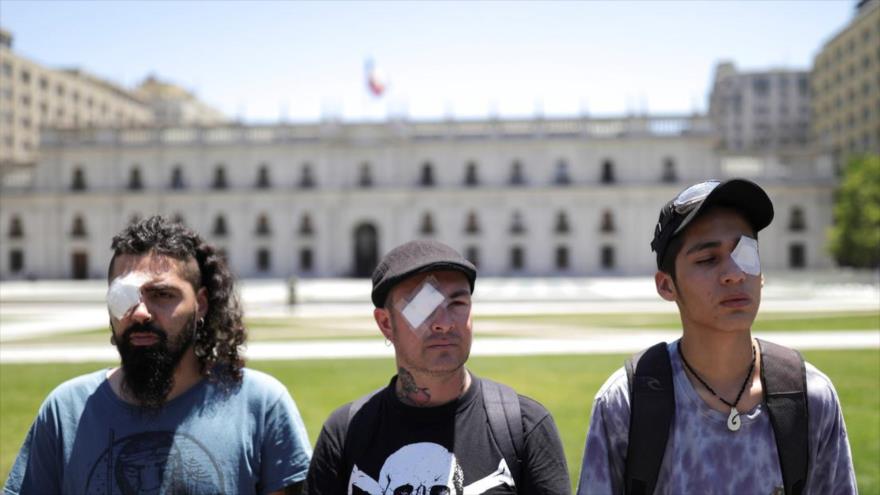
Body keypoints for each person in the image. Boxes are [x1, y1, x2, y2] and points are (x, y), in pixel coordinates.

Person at [576, 179, 856, 494]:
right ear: (667, 286)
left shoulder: (811, 398)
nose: (735, 272)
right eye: (708, 259)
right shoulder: (625, 404)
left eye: (745, 252)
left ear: (761, 276)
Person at [4, 216, 312, 494]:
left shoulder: (260, 405)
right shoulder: (65, 411)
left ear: (201, 304)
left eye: (162, 295)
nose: (139, 312)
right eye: (124, 295)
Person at [304, 239, 570, 494]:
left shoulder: (525, 427)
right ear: (386, 324)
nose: (444, 322)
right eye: (423, 306)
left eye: (457, 303)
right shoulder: (344, 435)